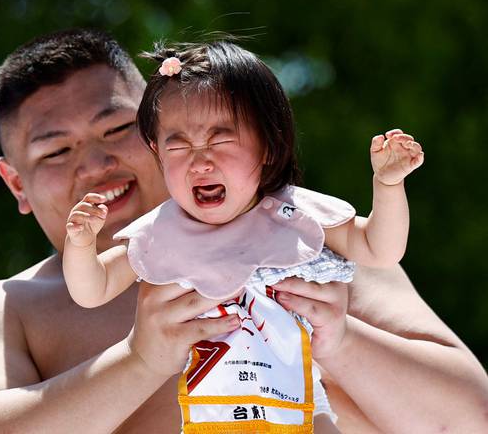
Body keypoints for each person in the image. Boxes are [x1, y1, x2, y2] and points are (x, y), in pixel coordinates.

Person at [0, 28, 488, 434]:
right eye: (57, 151)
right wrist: (138, 362)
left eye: (117, 128)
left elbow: (468, 420)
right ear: (16, 185)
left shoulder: (305, 242)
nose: (95, 166)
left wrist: (342, 341)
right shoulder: (0, 313)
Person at [62, 40, 423, 433]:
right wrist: (80, 245)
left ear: (267, 144)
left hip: (299, 397)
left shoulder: (293, 213)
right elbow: (91, 290)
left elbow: (380, 249)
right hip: (209, 407)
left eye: (219, 140)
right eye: (177, 145)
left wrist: (387, 187)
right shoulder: (161, 231)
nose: (200, 161)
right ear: (156, 153)